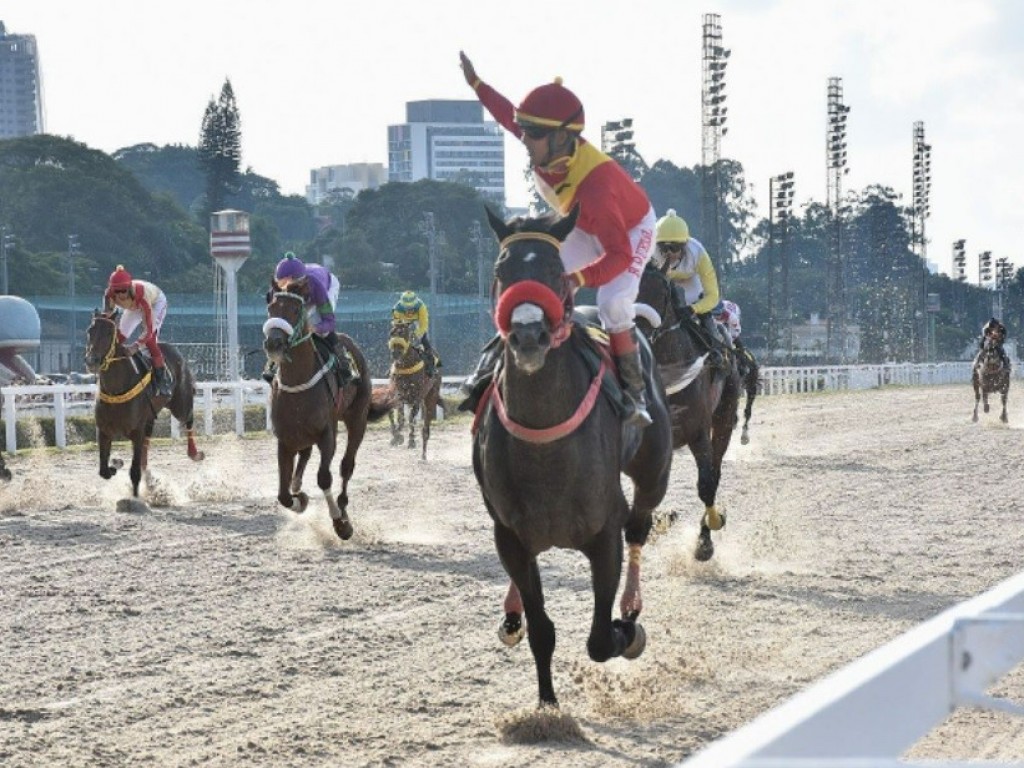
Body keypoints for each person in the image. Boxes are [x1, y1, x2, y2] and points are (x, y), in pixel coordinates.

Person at [458, 51, 656, 427]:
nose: (525, 141)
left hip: (630, 230)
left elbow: (617, 254)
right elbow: (507, 116)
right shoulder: (548, 139)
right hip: (585, 224)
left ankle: (635, 394)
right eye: (526, 132)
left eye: (533, 135)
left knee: (613, 303)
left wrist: (579, 279)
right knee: (534, 277)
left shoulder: (597, 187)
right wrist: (477, 84)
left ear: (562, 137)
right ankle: (490, 368)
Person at [654, 209, 731, 371]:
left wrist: (693, 309)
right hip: (663, 287)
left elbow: (713, 296)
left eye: (674, 248)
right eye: (663, 247)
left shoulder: (698, 252)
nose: (668, 253)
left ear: (684, 245)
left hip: (692, 288)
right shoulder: (649, 253)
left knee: (705, 318)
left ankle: (719, 354)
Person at [264, 253, 356, 388]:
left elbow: (329, 322)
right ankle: (272, 363)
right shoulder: (276, 290)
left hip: (326, 286)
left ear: (300, 283)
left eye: (290, 286)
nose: (286, 290)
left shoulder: (316, 286)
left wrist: (316, 328)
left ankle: (344, 364)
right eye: (282, 285)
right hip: (303, 293)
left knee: (320, 329)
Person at [104, 265, 174, 397]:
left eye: (123, 290)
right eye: (117, 291)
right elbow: (108, 318)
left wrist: (135, 346)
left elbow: (147, 330)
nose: (121, 295)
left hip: (154, 303)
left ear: (129, 288)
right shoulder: (109, 295)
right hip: (134, 307)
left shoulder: (142, 296)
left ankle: (162, 379)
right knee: (118, 338)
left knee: (150, 341)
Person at [391, 290, 439, 378]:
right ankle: (393, 367)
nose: (409, 309)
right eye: (406, 307)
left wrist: (415, 335)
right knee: (396, 345)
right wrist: (402, 332)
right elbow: (396, 323)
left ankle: (432, 368)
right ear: (402, 304)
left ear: (415, 303)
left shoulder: (421, 307)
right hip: (404, 324)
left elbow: (424, 324)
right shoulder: (397, 308)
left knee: (425, 344)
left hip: (417, 323)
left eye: (411, 307)